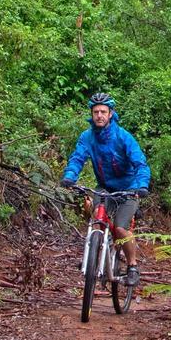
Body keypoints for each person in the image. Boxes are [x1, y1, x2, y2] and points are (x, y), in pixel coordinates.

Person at [60, 92, 151, 286]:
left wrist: (142, 185)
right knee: (96, 219)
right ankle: (92, 256)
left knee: (119, 227)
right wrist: (69, 176)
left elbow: (140, 164)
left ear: (111, 114)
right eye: (96, 112)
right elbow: (78, 158)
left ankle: (132, 266)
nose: (99, 115)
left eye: (103, 111)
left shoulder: (123, 137)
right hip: (104, 188)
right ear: (91, 115)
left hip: (128, 189)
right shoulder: (87, 137)